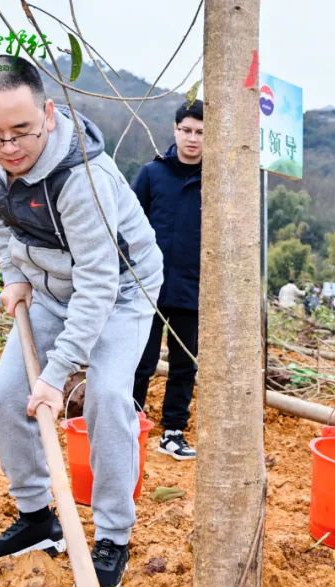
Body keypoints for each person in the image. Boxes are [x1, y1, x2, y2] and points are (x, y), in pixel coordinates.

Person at [0, 54, 163, 587]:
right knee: (5, 396)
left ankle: (113, 538)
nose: (8, 147)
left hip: (121, 290)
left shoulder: (85, 178)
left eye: (22, 131)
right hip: (49, 287)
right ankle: (37, 520)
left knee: (105, 395)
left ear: (49, 115)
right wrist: (13, 274)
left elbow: (100, 286)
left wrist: (55, 377)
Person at [130, 100, 203, 461]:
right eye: (187, 130)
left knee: (184, 363)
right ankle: (132, 421)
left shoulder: (215, 181)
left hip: (192, 288)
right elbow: (127, 223)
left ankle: (173, 431)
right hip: (148, 286)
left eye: (201, 132)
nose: (193, 138)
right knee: (140, 359)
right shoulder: (151, 175)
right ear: (175, 130)